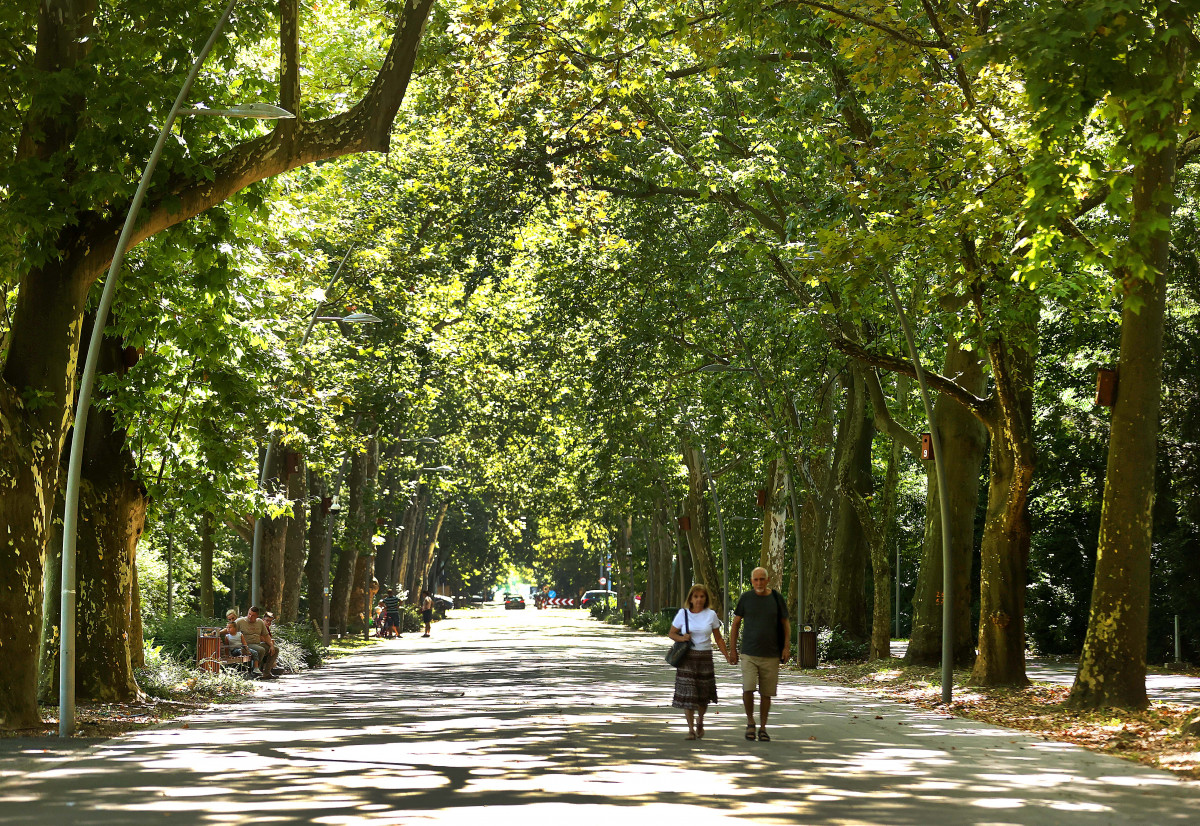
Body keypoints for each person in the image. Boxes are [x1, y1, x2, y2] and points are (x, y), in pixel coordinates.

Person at [729, 567, 791, 742]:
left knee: (766, 693)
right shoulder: (746, 598)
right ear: (751, 581)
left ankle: (763, 728)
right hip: (749, 653)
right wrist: (732, 650)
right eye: (756, 579)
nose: (759, 583)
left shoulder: (776, 598)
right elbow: (735, 624)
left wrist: (786, 647)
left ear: (768, 580)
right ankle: (750, 722)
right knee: (748, 688)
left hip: (771, 654)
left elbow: (785, 623)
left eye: (762, 579)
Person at [668, 583, 731, 740]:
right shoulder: (683, 614)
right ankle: (690, 729)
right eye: (695, 596)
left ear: (706, 598)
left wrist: (727, 655)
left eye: (702, 596)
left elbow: (718, 638)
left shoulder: (711, 615)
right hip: (687, 658)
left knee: (703, 695)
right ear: (690, 598)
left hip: (704, 658)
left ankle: (700, 721)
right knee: (689, 695)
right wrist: (682, 638)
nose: (699, 599)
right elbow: (672, 633)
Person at [236, 606, 279, 680]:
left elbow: (266, 635)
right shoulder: (240, 621)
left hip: (257, 643)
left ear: (257, 616)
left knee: (275, 649)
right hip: (246, 645)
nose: (250, 616)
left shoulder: (260, 622)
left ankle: (266, 673)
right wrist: (219, 632)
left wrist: (271, 645)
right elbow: (229, 628)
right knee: (260, 650)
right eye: (249, 614)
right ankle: (255, 672)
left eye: (253, 615)